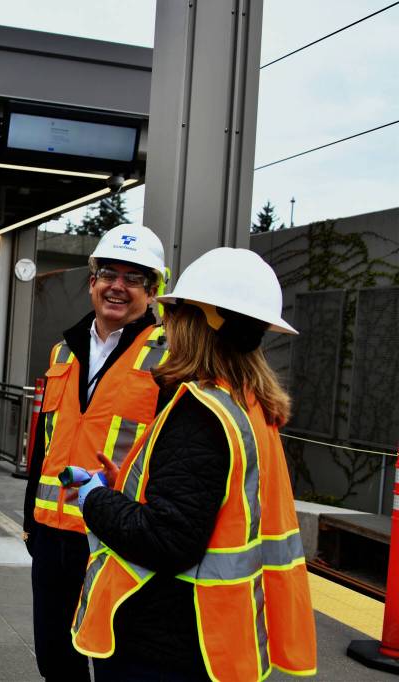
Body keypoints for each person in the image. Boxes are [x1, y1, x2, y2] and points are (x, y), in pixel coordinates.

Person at [69, 247, 317, 681]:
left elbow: (168, 540)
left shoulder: (200, 414)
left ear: (198, 321)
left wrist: (96, 499)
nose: (167, 322)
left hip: (167, 639)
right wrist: (128, 488)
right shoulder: (250, 404)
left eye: (176, 312)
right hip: (213, 634)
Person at [22, 223, 168, 682]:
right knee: (55, 658)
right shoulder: (63, 351)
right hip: (53, 534)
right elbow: (45, 444)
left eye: (133, 278)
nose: (117, 287)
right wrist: (30, 520)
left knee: (115, 661)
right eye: (108, 274)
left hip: (120, 536)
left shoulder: (171, 358)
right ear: (92, 282)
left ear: (153, 291)